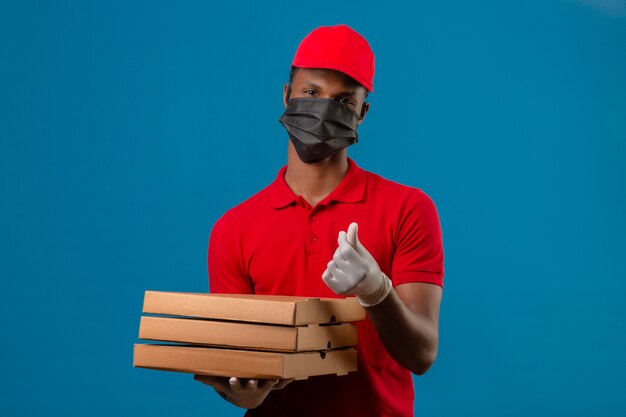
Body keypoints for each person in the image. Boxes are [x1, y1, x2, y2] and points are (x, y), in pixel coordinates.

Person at [194, 24, 445, 417]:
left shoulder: (408, 208)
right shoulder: (233, 229)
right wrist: (244, 392)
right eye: (311, 92)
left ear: (362, 114)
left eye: (344, 101)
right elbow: (237, 363)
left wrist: (376, 291)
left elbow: (422, 353)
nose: (324, 108)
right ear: (286, 95)